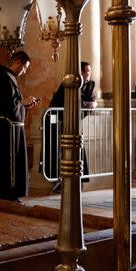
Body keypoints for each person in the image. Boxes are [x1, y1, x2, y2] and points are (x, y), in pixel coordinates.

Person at [0, 50, 39, 202]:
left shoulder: (11, 77)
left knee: (15, 161)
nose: (24, 71)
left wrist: (26, 105)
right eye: (24, 67)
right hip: (8, 127)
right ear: (17, 61)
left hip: (14, 127)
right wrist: (22, 102)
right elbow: (5, 103)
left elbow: (13, 104)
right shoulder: (2, 75)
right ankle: (7, 193)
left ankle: (10, 193)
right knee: (9, 161)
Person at [45, 62, 97, 191]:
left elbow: (92, 101)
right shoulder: (68, 83)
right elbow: (71, 100)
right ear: (81, 73)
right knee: (58, 151)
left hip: (74, 123)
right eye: (87, 71)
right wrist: (87, 104)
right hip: (58, 121)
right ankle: (58, 181)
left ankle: (78, 180)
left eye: (89, 71)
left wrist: (92, 104)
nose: (89, 73)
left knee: (77, 150)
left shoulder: (90, 85)